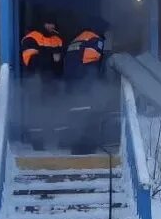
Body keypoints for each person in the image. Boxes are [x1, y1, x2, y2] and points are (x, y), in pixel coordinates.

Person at [20, 20, 64, 150]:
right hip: (35, 80)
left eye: (53, 24)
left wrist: (56, 63)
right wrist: (52, 57)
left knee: (54, 110)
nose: (51, 26)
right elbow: (31, 61)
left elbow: (61, 61)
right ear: (42, 24)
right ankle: (37, 142)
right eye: (48, 23)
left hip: (53, 81)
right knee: (37, 111)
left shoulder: (58, 39)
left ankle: (55, 139)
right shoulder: (31, 38)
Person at [63, 24, 106, 155]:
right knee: (88, 114)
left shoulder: (77, 39)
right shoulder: (95, 39)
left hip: (71, 82)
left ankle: (76, 147)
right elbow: (93, 61)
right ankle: (87, 147)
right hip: (84, 82)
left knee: (74, 115)